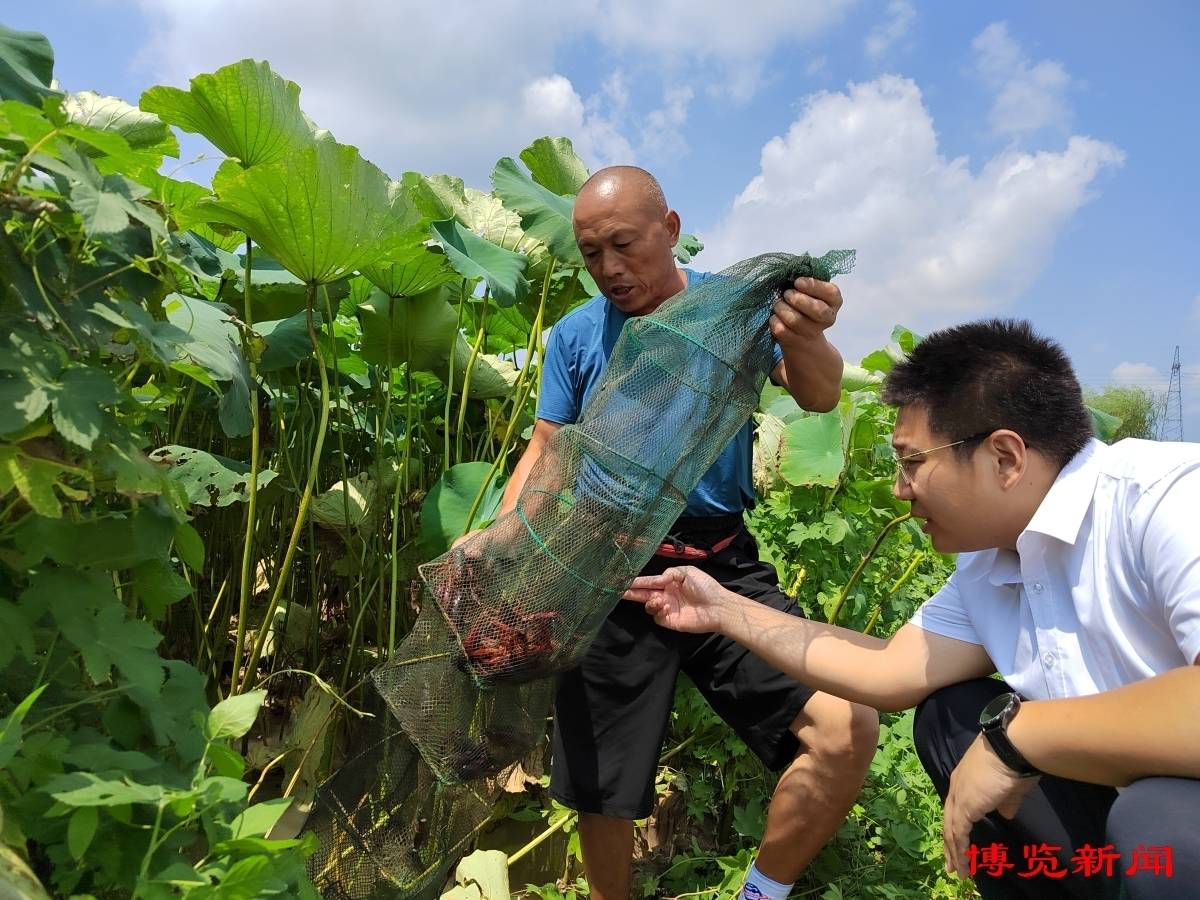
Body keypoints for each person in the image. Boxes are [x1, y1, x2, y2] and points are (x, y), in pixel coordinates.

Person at [627, 319, 1200, 899]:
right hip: (1125, 819)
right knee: (951, 717)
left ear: (1005, 458)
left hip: (1172, 823)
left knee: (1162, 823)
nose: (901, 489)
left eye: (912, 462)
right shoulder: (992, 560)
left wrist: (1017, 738)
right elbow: (889, 672)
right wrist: (725, 609)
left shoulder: (1166, 501)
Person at [457, 166, 878, 900]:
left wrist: (805, 333)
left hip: (720, 568)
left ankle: (761, 891)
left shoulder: (733, 307)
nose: (610, 268)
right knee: (603, 791)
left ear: (671, 230)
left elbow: (818, 392)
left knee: (845, 727)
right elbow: (548, 446)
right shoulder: (578, 335)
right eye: (592, 253)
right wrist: (500, 539)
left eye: (624, 244)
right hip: (608, 570)